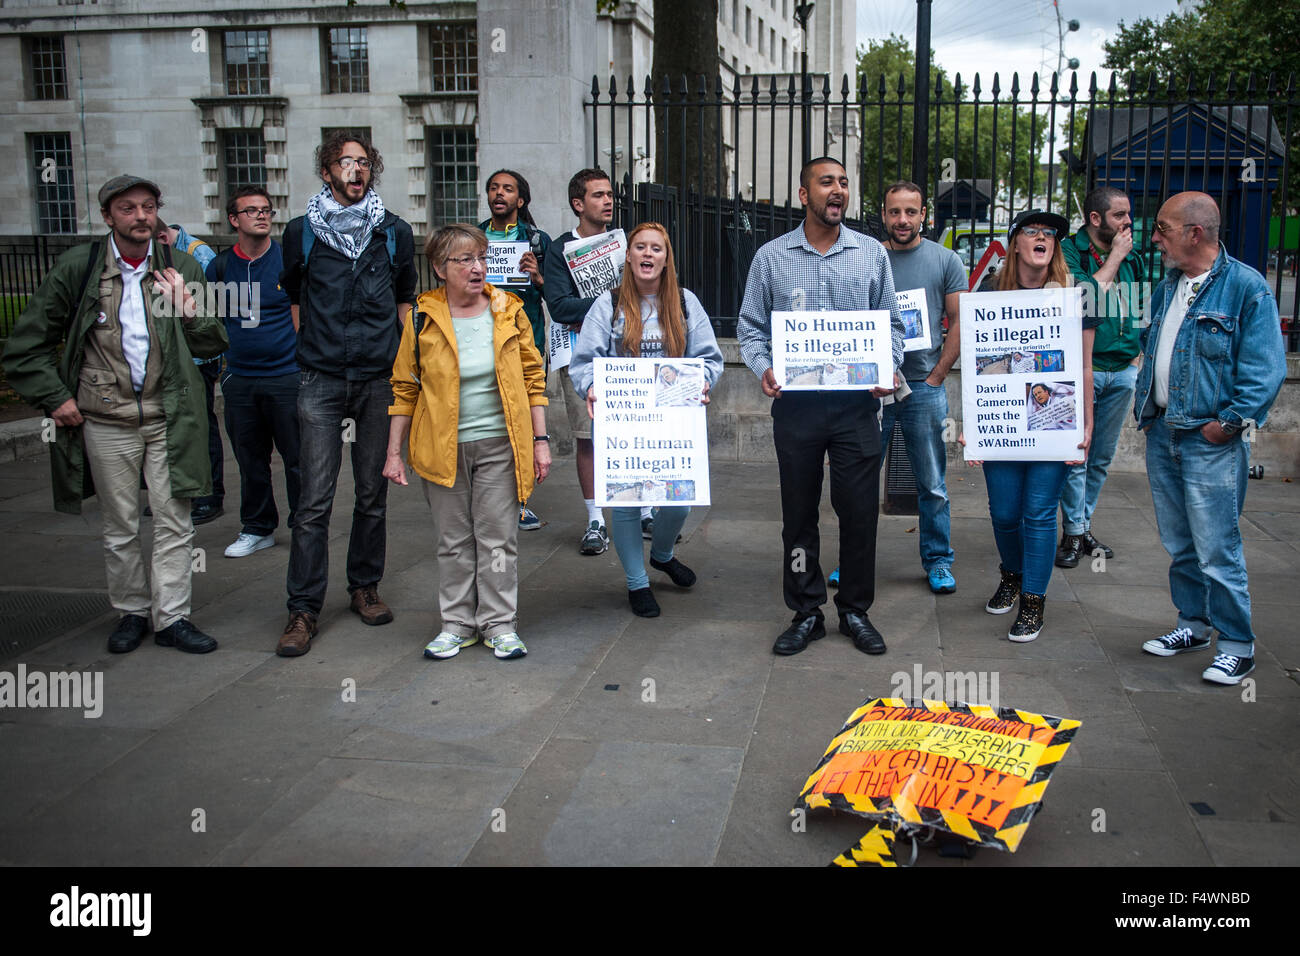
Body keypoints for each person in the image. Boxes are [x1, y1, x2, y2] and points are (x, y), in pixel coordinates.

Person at [2, 175, 228, 653]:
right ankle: (131, 611)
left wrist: (188, 309)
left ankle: (171, 618)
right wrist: (56, 397)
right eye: (128, 208)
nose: (141, 216)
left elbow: (213, 343)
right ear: (108, 216)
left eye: (148, 206)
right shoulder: (78, 268)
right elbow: (26, 346)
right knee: (120, 524)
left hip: (170, 417)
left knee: (174, 521)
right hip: (106, 420)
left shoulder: (181, 265)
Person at [737, 156, 904, 657]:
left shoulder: (872, 254)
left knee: (859, 514)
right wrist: (763, 367)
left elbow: (893, 326)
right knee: (798, 516)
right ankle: (806, 611)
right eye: (826, 182)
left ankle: (855, 609)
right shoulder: (770, 257)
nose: (838, 190)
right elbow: (750, 326)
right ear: (804, 193)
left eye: (844, 183)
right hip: (797, 408)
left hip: (857, 407)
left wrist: (887, 368)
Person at [276, 130, 418, 657]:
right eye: (345, 163)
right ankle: (302, 610)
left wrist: (404, 364)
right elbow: (294, 296)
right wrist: (314, 350)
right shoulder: (301, 233)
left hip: (379, 380)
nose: (355, 171)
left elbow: (405, 299)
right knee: (312, 502)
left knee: (370, 494)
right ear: (327, 171)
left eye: (363, 163)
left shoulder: (394, 232)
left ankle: (364, 587)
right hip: (320, 380)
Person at [1136, 191, 1285, 685]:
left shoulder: (1247, 288)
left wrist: (1229, 423)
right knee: (1180, 543)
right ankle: (1193, 625)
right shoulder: (1168, 286)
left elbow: (1265, 370)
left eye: (1163, 228)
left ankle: (1238, 645)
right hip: (1165, 432)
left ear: (1194, 233)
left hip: (1210, 440)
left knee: (1217, 547)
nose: (1155, 238)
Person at [384, 224, 550, 660]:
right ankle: (457, 623)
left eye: (481, 257)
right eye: (465, 260)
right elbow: (405, 387)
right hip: (441, 447)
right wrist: (393, 454)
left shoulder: (508, 310)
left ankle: (498, 623)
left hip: (499, 443)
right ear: (440, 268)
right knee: (453, 540)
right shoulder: (421, 317)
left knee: (498, 538)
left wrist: (541, 440)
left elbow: (534, 380)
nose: (478, 268)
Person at [569, 222, 723, 617]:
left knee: (680, 500)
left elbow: (709, 359)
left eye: (656, 248)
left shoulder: (686, 303)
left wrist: (701, 382)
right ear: (629, 255)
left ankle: (663, 554)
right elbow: (584, 361)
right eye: (640, 247)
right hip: (624, 422)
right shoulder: (609, 304)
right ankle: (637, 584)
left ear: (666, 258)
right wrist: (591, 387)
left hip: (674, 422)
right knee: (626, 503)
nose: (648, 254)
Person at [970, 209, 1095, 643]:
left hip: (1054, 418)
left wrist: (1086, 427)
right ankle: (1013, 575)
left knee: (1038, 515)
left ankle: (1033, 604)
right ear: (1016, 243)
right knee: (1005, 514)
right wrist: (976, 422)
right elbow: (978, 366)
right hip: (1002, 419)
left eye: (1049, 234)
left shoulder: (1075, 294)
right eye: (1032, 231)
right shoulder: (989, 292)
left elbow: (1083, 367)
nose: (1042, 238)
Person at [543, 168, 651, 553]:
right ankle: (594, 520)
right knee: (588, 439)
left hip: (630, 352)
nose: (608, 201)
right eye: (598, 195)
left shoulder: (629, 244)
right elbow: (559, 306)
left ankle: (643, 507)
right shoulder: (558, 250)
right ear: (578, 203)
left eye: (609, 195)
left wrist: (600, 305)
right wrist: (614, 301)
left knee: (635, 431)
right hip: (581, 355)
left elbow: (646, 292)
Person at [875, 181, 968, 594]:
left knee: (931, 483)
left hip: (923, 386)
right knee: (859, 479)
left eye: (910, 212)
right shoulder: (868, 257)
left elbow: (960, 322)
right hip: (873, 388)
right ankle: (853, 560)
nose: (902, 220)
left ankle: (938, 561)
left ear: (923, 215)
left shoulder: (946, 260)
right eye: (895, 212)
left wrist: (936, 376)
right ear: (883, 213)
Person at [205, 185, 300, 559]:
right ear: (234, 219)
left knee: (298, 458)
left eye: (266, 210)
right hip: (240, 378)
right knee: (250, 458)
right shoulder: (220, 266)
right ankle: (258, 528)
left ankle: (304, 526)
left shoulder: (287, 261)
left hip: (286, 375)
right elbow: (210, 319)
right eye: (252, 211)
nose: (262, 216)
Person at [1056, 186, 1145, 568]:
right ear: (1095, 219)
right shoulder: (1070, 250)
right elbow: (1083, 299)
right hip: (1084, 368)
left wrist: (1138, 355)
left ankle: (1081, 524)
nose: (1128, 223)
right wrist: (1115, 256)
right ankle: (1074, 533)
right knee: (1078, 455)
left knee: (1102, 457)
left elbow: (1139, 307)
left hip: (1123, 370)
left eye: (1128, 215)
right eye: (1119, 216)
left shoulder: (1133, 258)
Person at [477, 168, 552, 532]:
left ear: (520, 200)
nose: (499, 194)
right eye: (494, 188)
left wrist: (538, 278)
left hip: (526, 345)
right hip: (481, 345)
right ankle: (489, 497)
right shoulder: (474, 238)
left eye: (507, 189)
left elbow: (555, 294)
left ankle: (520, 501)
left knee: (521, 423)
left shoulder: (537, 241)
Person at [157, 223, 224, 525]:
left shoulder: (198, 255)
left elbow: (214, 310)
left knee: (201, 424)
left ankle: (209, 496)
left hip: (199, 356)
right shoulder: (154, 256)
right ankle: (176, 493)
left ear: (161, 238)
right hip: (171, 358)